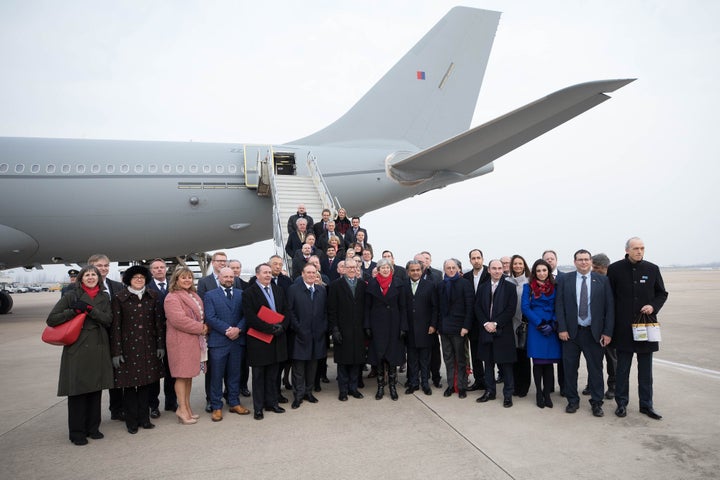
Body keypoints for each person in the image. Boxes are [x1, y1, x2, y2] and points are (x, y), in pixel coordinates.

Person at [47, 265, 114, 445]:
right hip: (77, 347)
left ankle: (93, 428)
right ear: (81, 278)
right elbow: (52, 319)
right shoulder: (71, 296)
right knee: (77, 391)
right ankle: (77, 432)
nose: (91, 277)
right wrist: (74, 311)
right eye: (87, 275)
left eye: (94, 275)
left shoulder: (104, 296)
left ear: (98, 278)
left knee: (95, 390)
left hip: (99, 346)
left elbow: (108, 319)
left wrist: (90, 310)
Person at [607, 237, 668, 420]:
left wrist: (653, 306)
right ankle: (621, 404)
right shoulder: (615, 269)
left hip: (646, 327)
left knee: (646, 371)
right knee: (622, 369)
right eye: (635, 248)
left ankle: (646, 405)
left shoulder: (652, 269)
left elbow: (662, 293)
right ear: (627, 250)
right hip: (624, 329)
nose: (639, 251)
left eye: (642, 248)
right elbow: (609, 297)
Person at [556, 249, 614, 417]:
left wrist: (607, 332)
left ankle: (597, 403)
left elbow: (609, 308)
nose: (583, 262)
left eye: (586, 259)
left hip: (594, 334)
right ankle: (572, 401)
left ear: (591, 262)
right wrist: (562, 328)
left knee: (595, 370)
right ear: (575, 262)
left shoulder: (602, 281)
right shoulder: (565, 280)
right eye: (580, 259)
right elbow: (559, 306)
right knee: (570, 369)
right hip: (571, 334)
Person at [110, 265, 165, 434]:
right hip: (128, 350)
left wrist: (160, 345)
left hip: (148, 348)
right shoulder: (120, 298)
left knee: (145, 386)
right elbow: (115, 327)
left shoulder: (152, 296)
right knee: (129, 388)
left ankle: (144, 419)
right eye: (135, 278)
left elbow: (158, 324)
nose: (139, 280)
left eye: (142, 277)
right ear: (129, 280)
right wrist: (116, 352)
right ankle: (131, 422)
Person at [243, 263, 290, 420]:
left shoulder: (278, 290)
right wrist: (270, 328)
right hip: (259, 340)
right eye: (265, 272)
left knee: (273, 375)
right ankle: (258, 408)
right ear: (257, 275)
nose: (268, 275)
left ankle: (272, 403)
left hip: (277, 338)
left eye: (270, 272)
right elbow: (250, 317)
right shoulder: (249, 293)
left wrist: (282, 327)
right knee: (258, 376)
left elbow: (286, 310)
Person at [204, 267, 250, 421]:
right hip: (219, 341)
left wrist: (239, 329)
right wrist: (227, 330)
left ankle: (234, 402)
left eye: (231, 277)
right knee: (216, 376)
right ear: (219, 278)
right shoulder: (210, 295)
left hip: (237, 341)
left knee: (235, 374)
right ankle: (216, 406)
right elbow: (210, 317)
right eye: (226, 277)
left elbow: (246, 315)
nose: (229, 279)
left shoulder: (241, 294)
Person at [164, 266, 209, 425]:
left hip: (193, 341)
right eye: (183, 277)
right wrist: (200, 328)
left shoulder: (193, 294)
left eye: (189, 277)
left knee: (188, 376)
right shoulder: (172, 297)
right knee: (182, 376)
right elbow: (178, 320)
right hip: (180, 342)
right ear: (176, 280)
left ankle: (187, 408)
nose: (187, 280)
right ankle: (181, 409)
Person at [87, 254, 126, 422]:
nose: (103, 268)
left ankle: (117, 409)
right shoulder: (80, 289)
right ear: (90, 267)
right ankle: (90, 415)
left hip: (115, 337)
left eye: (106, 265)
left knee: (117, 375)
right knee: (93, 377)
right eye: (99, 265)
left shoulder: (117, 286)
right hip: (94, 338)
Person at [475, 260, 518, 407]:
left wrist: (496, 323)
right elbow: (478, 307)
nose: (497, 271)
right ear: (489, 270)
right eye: (494, 268)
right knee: (488, 364)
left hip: (503, 331)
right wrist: (486, 323)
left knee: (506, 365)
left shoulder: (510, 287)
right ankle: (490, 391)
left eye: (500, 268)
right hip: (486, 330)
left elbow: (510, 309)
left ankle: (508, 395)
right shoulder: (482, 288)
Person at [364, 258, 408, 401]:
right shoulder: (371, 284)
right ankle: (380, 387)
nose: (385, 270)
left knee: (392, 357)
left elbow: (403, 308)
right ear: (378, 270)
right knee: (379, 357)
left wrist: (403, 326)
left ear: (391, 269)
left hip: (394, 325)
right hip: (377, 326)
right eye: (382, 267)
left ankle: (393, 387)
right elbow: (367, 308)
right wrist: (367, 326)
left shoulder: (398, 284)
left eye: (387, 268)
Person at [286, 264, 328, 409]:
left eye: (313, 272)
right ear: (302, 274)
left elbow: (325, 312)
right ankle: (298, 395)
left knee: (312, 367)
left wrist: (322, 328)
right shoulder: (293, 289)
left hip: (317, 336)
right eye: (308, 272)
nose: (311, 275)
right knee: (299, 368)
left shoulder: (321, 290)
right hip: (299, 336)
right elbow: (290, 311)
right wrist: (299, 328)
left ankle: (308, 392)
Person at [521, 259, 561, 409]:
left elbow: (559, 305)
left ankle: (547, 393)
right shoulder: (528, 287)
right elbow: (525, 307)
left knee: (549, 363)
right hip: (536, 327)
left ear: (548, 272)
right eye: (538, 271)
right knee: (538, 363)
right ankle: (538, 392)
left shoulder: (555, 286)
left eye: (544, 270)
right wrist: (539, 323)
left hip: (551, 327)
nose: (542, 273)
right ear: (534, 273)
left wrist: (553, 323)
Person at [328, 259, 367, 401]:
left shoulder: (362, 285)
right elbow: (331, 310)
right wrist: (335, 329)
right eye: (348, 267)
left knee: (357, 362)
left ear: (357, 268)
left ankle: (353, 388)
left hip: (358, 331)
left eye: (354, 267)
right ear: (343, 269)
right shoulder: (335, 285)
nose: (351, 269)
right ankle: (343, 390)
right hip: (342, 330)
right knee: (343, 362)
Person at [437, 258, 474, 398]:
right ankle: (451, 385)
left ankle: (462, 386)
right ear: (444, 269)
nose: (451, 270)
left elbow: (470, 307)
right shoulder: (441, 285)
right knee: (448, 358)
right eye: (448, 268)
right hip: (445, 328)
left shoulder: (465, 284)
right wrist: (439, 326)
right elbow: (438, 308)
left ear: (458, 269)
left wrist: (466, 326)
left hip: (460, 328)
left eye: (453, 267)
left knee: (461, 358)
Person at [196, 251, 227, 413]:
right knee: (213, 370)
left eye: (224, 261)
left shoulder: (231, 279)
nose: (222, 263)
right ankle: (211, 399)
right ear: (213, 262)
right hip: (213, 332)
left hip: (231, 332)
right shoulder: (205, 282)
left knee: (228, 369)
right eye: (219, 261)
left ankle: (229, 397)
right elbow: (203, 307)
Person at [146, 258, 176, 416]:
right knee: (155, 373)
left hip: (173, 335)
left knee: (172, 371)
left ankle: (171, 402)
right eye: (156, 268)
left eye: (162, 267)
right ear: (151, 271)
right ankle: (153, 405)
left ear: (166, 269)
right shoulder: (146, 287)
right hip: (154, 336)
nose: (159, 270)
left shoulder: (174, 286)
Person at [405, 260, 438, 395]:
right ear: (408, 272)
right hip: (410, 329)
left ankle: (425, 383)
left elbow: (435, 308)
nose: (415, 273)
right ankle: (414, 383)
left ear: (422, 271)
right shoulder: (403, 286)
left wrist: (433, 325)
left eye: (418, 270)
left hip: (425, 329)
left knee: (425, 359)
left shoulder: (429, 286)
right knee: (412, 359)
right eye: (412, 270)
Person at [463, 249, 490, 392]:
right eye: (473, 258)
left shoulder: (490, 274)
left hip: (487, 320)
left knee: (489, 354)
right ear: (470, 260)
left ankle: (489, 382)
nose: (476, 260)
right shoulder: (466, 277)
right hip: (472, 321)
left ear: (483, 259)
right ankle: (479, 380)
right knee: (475, 353)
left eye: (478, 257)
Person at [507, 254, 531, 397]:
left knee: (524, 356)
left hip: (524, 324)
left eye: (520, 263)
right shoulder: (507, 281)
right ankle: (514, 384)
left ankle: (524, 386)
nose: (517, 266)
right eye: (515, 263)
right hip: (510, 323)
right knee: (513, 356)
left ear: (524, 265)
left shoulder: (529, 281)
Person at [227, 259, 251, 397]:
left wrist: (240, 327)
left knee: (244, 362)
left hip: (243, 330)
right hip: (226, 331)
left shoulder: (246, 285)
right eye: (233, 268)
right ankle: (229, 390)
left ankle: (243, 386)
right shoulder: (220, 286)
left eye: (237, 268)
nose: (235, 270)